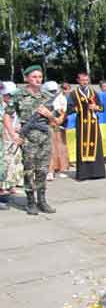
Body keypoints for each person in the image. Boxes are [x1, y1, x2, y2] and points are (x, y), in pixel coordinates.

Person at [4, 65, 59, 214]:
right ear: (26, 78)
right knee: (29, 171)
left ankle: (42, 200)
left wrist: (49, 115)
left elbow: (56, 122)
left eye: (40, 77)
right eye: (34, 77)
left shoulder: (47, 95)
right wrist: (13, 135)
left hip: (45, 138)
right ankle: (30, 202)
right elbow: (7, 115)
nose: (37, 80)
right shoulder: (18, 95)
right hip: (28, 139)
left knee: (42, 170)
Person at [66, 72, 106, 181]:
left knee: (96, 146)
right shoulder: (74, 94)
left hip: (93, 124)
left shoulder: (94, 93)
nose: (84, 82)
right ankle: (83, 174)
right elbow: (69, 108)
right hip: (82, 124)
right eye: (82, 80)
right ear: (78, 81)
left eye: (86, 80)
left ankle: (97, 173)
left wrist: (96, 107)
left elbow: (103, 108)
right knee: (82, 146)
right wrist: (79, 108)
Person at [44, 81, 69, 181]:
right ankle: (50, 171)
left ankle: (60, 169)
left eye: (54, 91)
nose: (53, 93)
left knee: (61, 147)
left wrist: (61, 119)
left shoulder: (61, 98)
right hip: (48, 125)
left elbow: (63, 111)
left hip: (59, 125)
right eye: (51, 91)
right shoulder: (43, 99)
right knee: (51, 148)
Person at [0, 82, 22, 197]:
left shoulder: (13, 106)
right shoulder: (1, 106)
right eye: (10, 95)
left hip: (14, 136)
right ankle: (2, 187)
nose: (12, 98)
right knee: (4, 162)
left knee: (15, 161)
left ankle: (12, 185)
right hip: (4, 137)